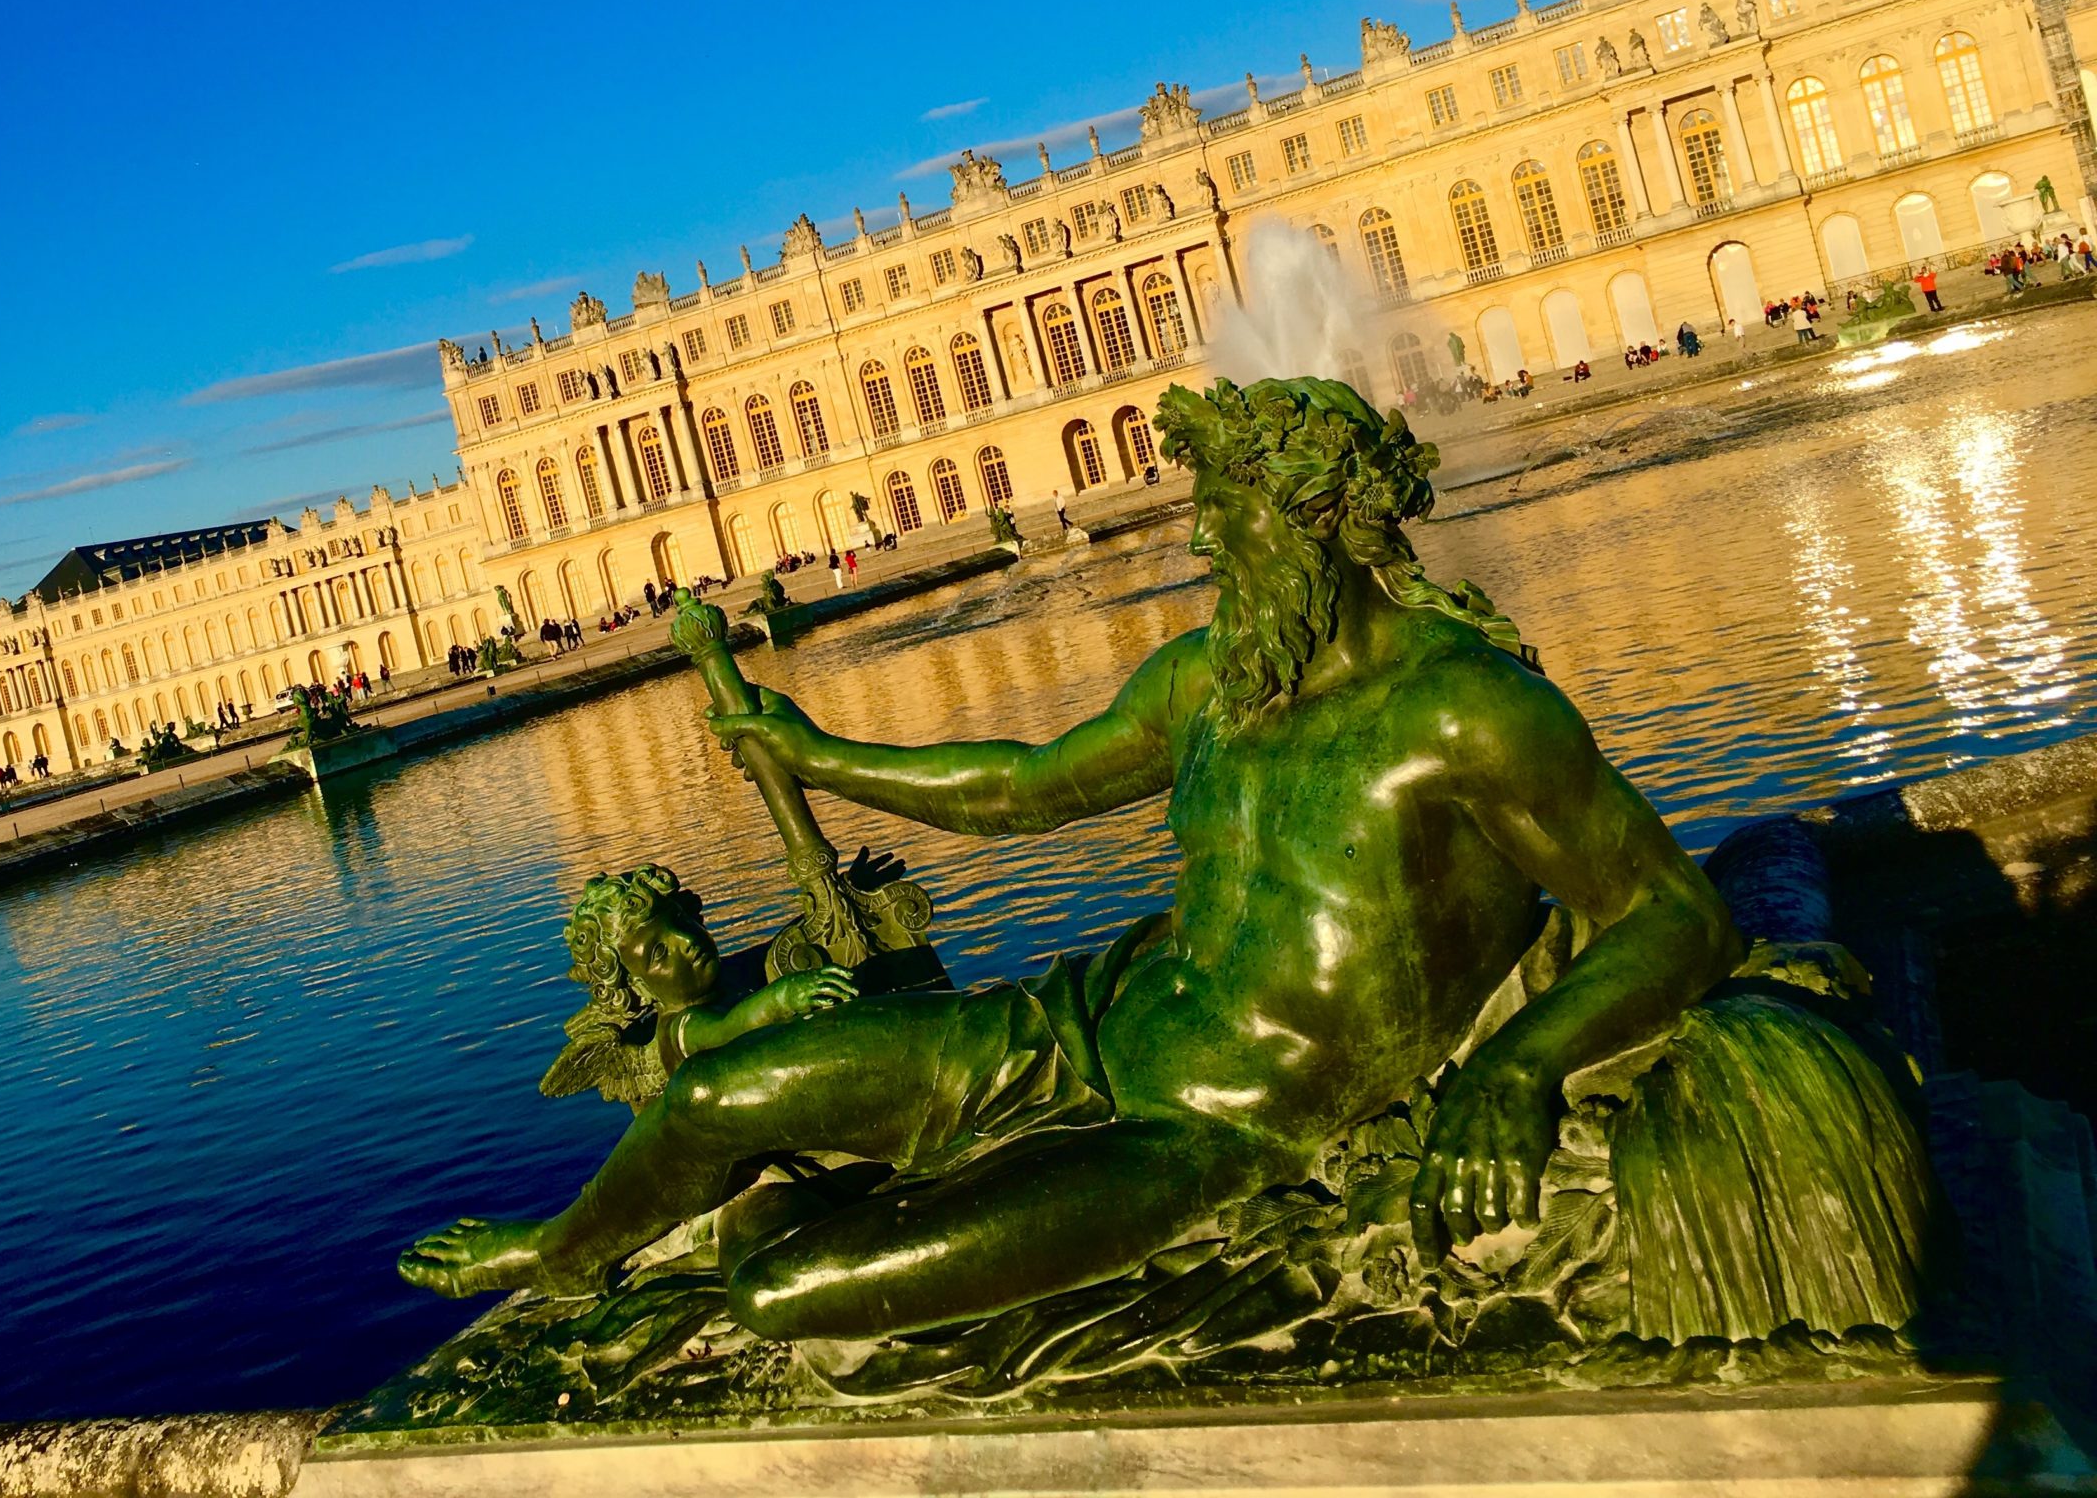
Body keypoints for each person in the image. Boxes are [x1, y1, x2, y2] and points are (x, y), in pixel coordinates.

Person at [401, 379, 1741, 1338]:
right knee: (704, 1106)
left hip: (1209, 1124)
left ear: (1326, 517)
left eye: (1232, 514)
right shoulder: (1219, 675)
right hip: (1074, 1021)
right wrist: (819, 754)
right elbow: (1022, 787)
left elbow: (1675, 914)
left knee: (782, 1291)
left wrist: (1515, 1066)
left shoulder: (1467, 709)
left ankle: (890, 1206)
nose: (1204, 539)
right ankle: (568, 1257)